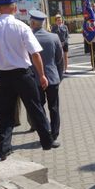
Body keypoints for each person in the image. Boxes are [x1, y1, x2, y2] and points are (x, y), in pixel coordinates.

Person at [0, 0, 59, 160]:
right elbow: (35, 54)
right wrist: (42, 75)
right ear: (15, 8)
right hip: (22, 74)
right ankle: (47, 141)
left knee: (5, 112)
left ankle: (4, 146)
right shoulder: (21, 26)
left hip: (2, 76)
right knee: (35, 107)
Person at [30, 10, 64, 142]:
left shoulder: (28, 37)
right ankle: (54, 134)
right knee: (54, 107)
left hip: (34, 78)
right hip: (52, 77)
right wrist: (59, 75)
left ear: (33, 23)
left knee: (38, 107)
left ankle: (45, 131)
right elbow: (59, 58)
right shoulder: (54, 37)